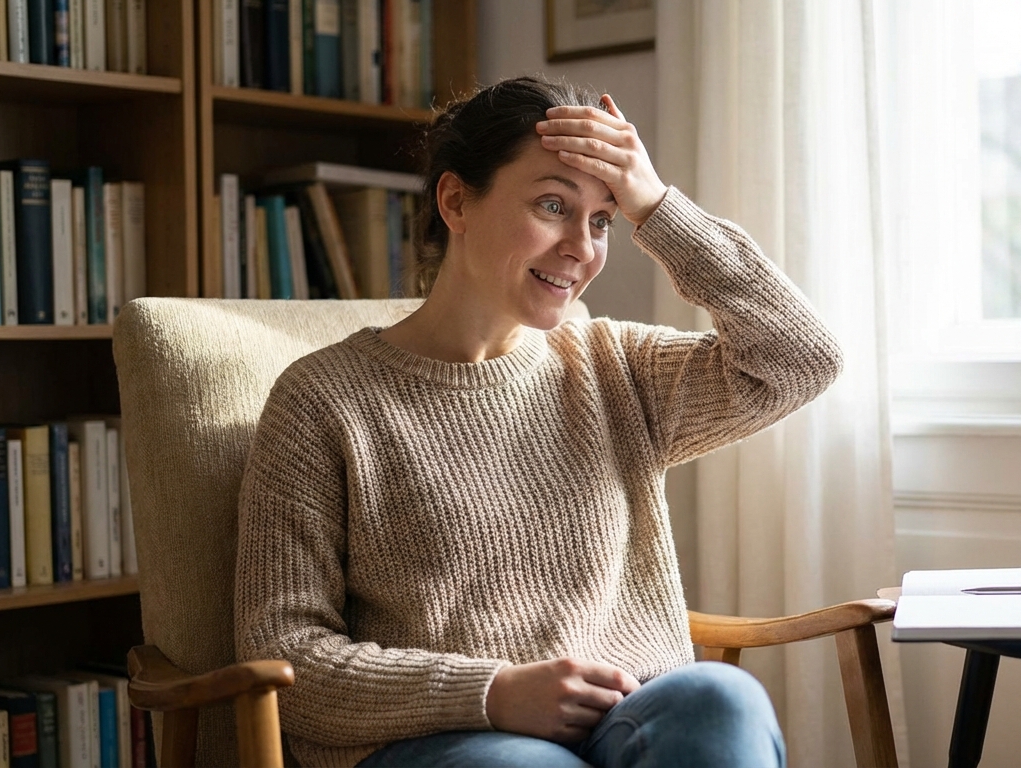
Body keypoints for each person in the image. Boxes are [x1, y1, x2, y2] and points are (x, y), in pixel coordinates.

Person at [234, 75, 843, 768]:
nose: (582, 248)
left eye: (604, 219)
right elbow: (283, 657)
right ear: (457, 201)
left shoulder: (617, 367)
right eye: (553, 204)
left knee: (723, 698)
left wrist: (658, 208)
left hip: (627, 724)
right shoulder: (322, 400)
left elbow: (802, 358)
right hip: (442, 741)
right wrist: (491, 692)